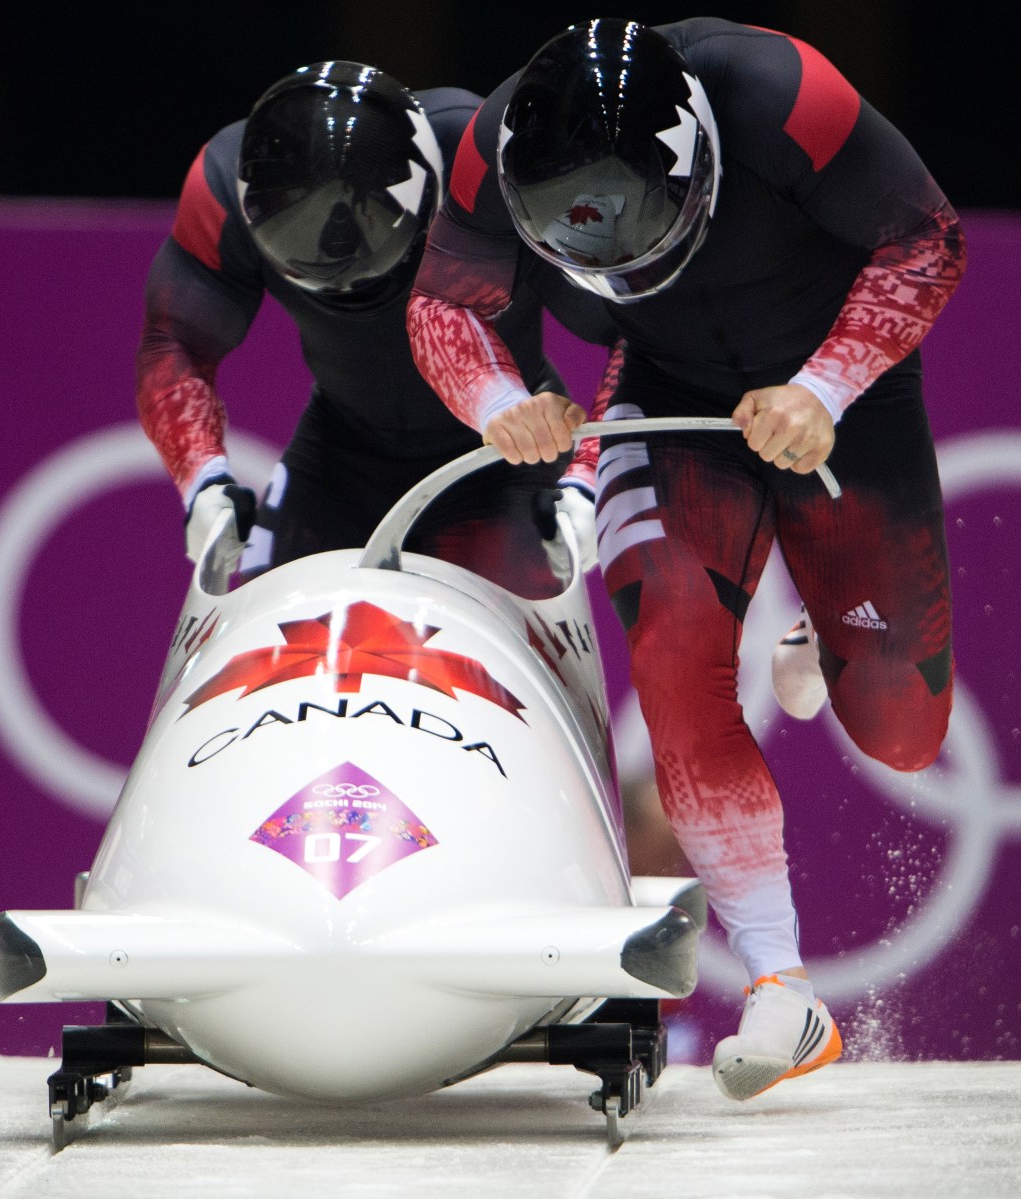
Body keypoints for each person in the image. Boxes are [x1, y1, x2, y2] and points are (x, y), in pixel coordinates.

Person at [408, 17, 964, 1099]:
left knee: (899, 733)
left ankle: (813, 627)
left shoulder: (783, 93)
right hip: (663, 391)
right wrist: (498, 402)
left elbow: (925, 238)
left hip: (834, 396)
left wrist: (826, 387)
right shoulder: (486, 155)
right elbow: (440, 303)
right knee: (670, 650)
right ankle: (779, 986)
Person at [136, 60, 612, 597]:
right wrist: (203, 478)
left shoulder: (487, 161)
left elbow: (634, 331)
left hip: (505, 456)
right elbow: (175, 341)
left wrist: (591, 476)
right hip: (339, 457)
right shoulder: (222, 181)